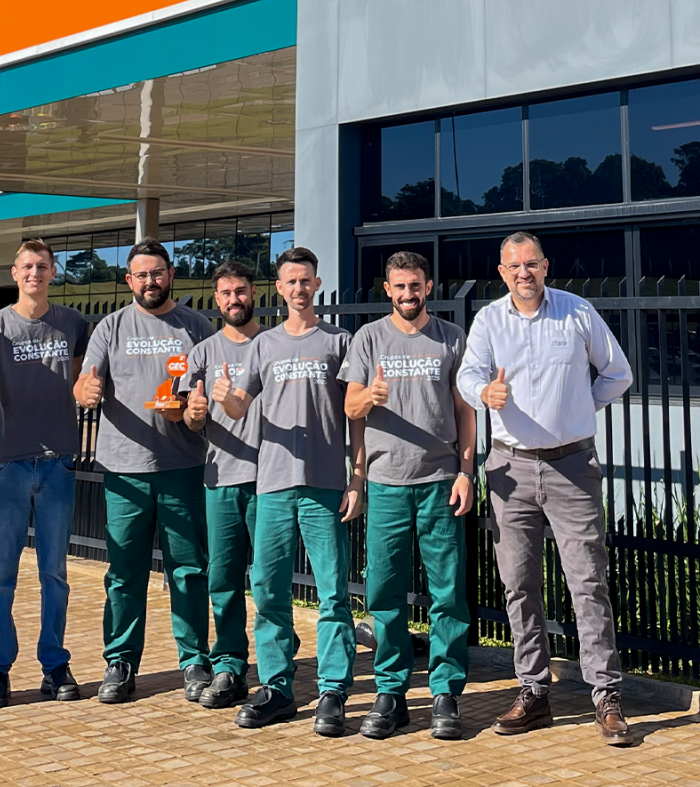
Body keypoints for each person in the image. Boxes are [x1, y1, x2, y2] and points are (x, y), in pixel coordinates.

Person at [457, 231, 634, 746]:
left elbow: (618, 374)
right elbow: (467, 376)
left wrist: (579, 406)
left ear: (545, 266)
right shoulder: (489, 320)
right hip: (509, 469)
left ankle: (606, 695)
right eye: (514, 266)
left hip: (572, 466)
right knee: (518, 584)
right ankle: (534, 691)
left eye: (531, 264)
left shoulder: (577, 312)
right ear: (502, 272)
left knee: (588, 582)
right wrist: (484, 391)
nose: (524, 273)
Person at [215, 246, 364, 736]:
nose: (299, 288)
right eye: (290, 281)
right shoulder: (264, 345)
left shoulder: (340, 341)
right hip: (273, 485)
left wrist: (357, 476)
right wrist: (225, 399)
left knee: (332, 594)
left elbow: (356, 416)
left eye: (306, 280)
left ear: (317, 284)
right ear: (278, 289)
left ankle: (333, 690)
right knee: (269, 592)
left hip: (324, 485)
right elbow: (240, 407)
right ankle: (277, 688)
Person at [340, 250, 475, 740]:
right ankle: (391, 693)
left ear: (428, 286)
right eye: (399, 286)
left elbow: (465, 411)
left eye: (415, 285)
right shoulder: (368, 337)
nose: (408, 294)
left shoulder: (452, 338)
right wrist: (369, 397)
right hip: (386, 483)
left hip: (440, 481)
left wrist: (466, 471)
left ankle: (445, 693)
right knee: (384, 593)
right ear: (388, 290)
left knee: (448, 594)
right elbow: (350, 407)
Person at [74, 238, 215, 704]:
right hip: (124, 471)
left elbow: (206, 395)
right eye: (141, 275)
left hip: (183, 467)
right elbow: (86, 379)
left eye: (157, 273)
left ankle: (194, 661)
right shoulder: (111, 327)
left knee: (188, 570)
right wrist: (84, 392)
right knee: (124, 572)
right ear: (128, 280)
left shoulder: (196, 326)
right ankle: (120, 662)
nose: (150, 281)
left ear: (170, 274)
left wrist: (191, 410)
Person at [0, 239, 88, 709]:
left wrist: (88, 389)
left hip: (58, 463)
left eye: (42, 266)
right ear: (14, 273)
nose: (34, 273)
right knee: (0, 576)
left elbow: (80, 379)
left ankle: (54, 664)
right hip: (9, 464)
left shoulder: (73, 323)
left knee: (54, 574)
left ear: (53, 272)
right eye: (27, 267)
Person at [179, 260, 267, 709]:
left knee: (269, 581)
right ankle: (230, 664)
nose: (235, 299)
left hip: (272, 480)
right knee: (224, 578)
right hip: (222, 478)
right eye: (227, 293)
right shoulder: (203, 353)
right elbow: (190, 417)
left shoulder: (273, 344)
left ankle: (275, 669)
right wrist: (194, 414)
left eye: (241, 291)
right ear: (217, 299)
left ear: (254, 293)